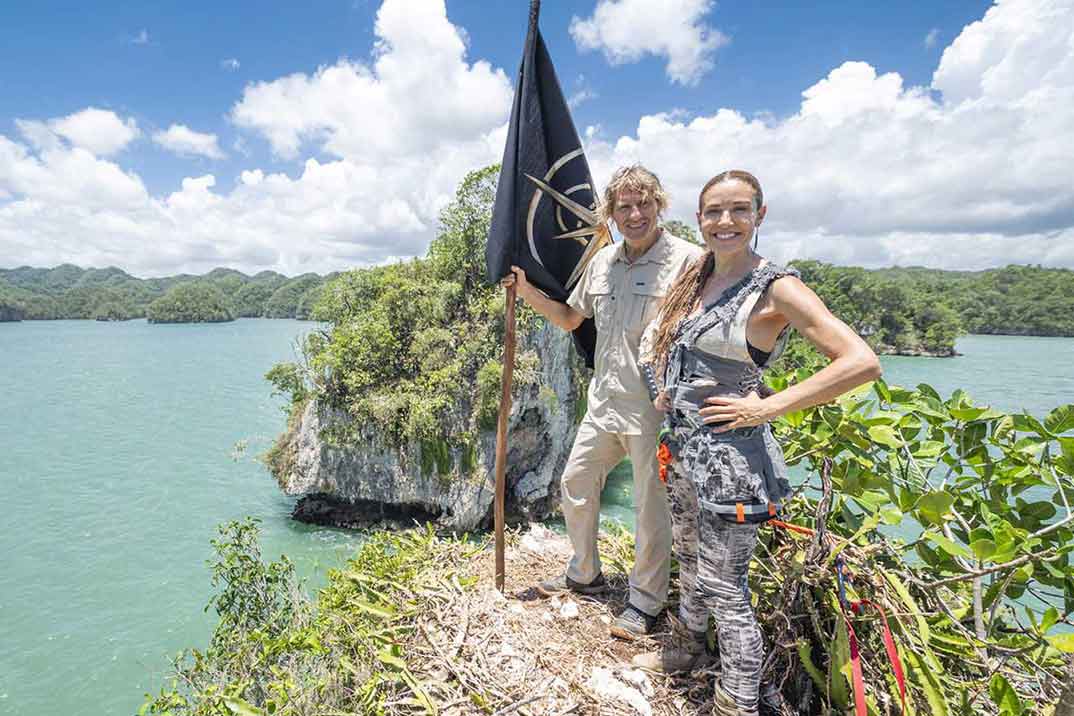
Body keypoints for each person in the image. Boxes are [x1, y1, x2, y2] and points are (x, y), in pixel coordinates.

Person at [631, 170, 881, 716]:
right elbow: (658, 341)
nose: (725, 222)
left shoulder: (775, 287)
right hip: (685, 456)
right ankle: (687, 650)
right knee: (691, 563)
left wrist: (766, 406)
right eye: (713, 211)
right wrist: (661, 394)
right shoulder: (697, 277)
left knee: (727, 590)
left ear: (759, 215)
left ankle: (735, 704)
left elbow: (861, 362)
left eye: (738, 210)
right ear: (699, 219)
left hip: (734, 467)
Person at [502, 165, 703, 639]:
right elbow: (572, 319)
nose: (635, 214)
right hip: (604, 402)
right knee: (575, 482)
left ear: (660, 205)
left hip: (654, 409)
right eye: (624, 206)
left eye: (644, 203)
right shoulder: (602, 262)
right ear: (610, 212)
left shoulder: (690, 262)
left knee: (649, 507)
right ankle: (584, 572)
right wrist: (526, 290)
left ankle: (645, 601)